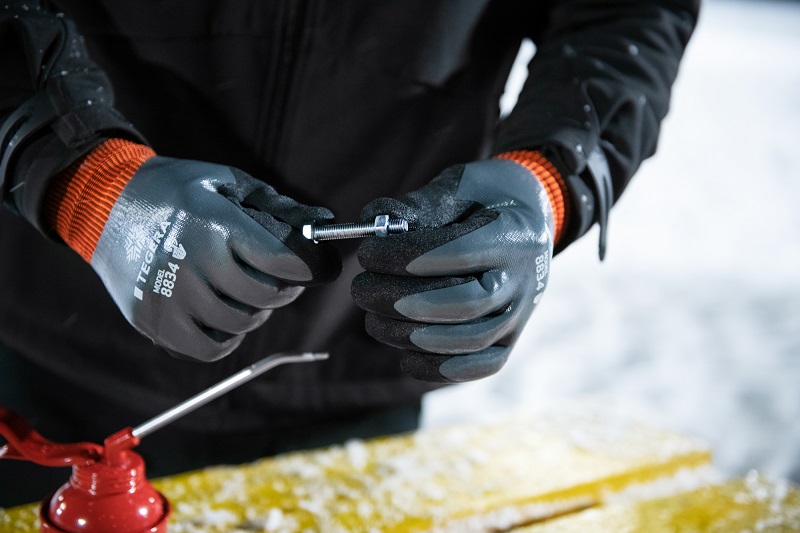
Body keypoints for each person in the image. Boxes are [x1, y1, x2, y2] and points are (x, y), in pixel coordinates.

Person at [0, 0, 699, 506]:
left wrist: (549, 177)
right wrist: (84, 181)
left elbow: (628, 13)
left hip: (363, 369)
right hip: (53, 361)